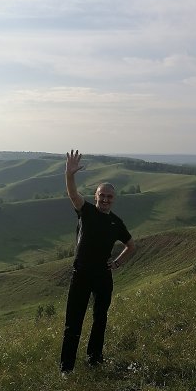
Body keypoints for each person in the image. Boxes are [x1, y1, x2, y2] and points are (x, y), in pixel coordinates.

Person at [60, 149, 135, 374]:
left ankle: (94, 359)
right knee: (73, 322)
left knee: (100, 319)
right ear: (95, 196)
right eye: (102, 195)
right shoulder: (86, 212)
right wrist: (69, 174)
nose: (105, 199)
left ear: (114, 199)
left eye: (109, 196)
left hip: (103, 276)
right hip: (81, 274)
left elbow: (131, 246)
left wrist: (117, 263)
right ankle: (66, 369)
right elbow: (73, 194)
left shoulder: (116, 223)